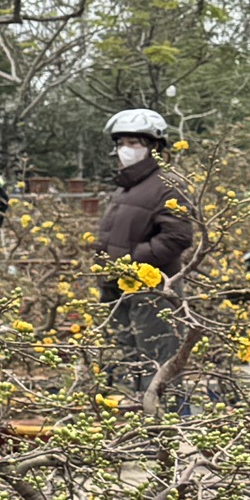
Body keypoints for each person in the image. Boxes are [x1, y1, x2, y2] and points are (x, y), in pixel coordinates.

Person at [95, 107, 193, 392]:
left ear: (154, 147)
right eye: (121, 143)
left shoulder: (167, 186)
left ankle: (167, 429)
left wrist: (132, 262)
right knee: (125, 363)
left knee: (158, 365)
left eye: (134, 143)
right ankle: (134, 431)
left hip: (152, 292)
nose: (126, 149)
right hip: (118, 289)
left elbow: (177, 238)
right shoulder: (126, 187)